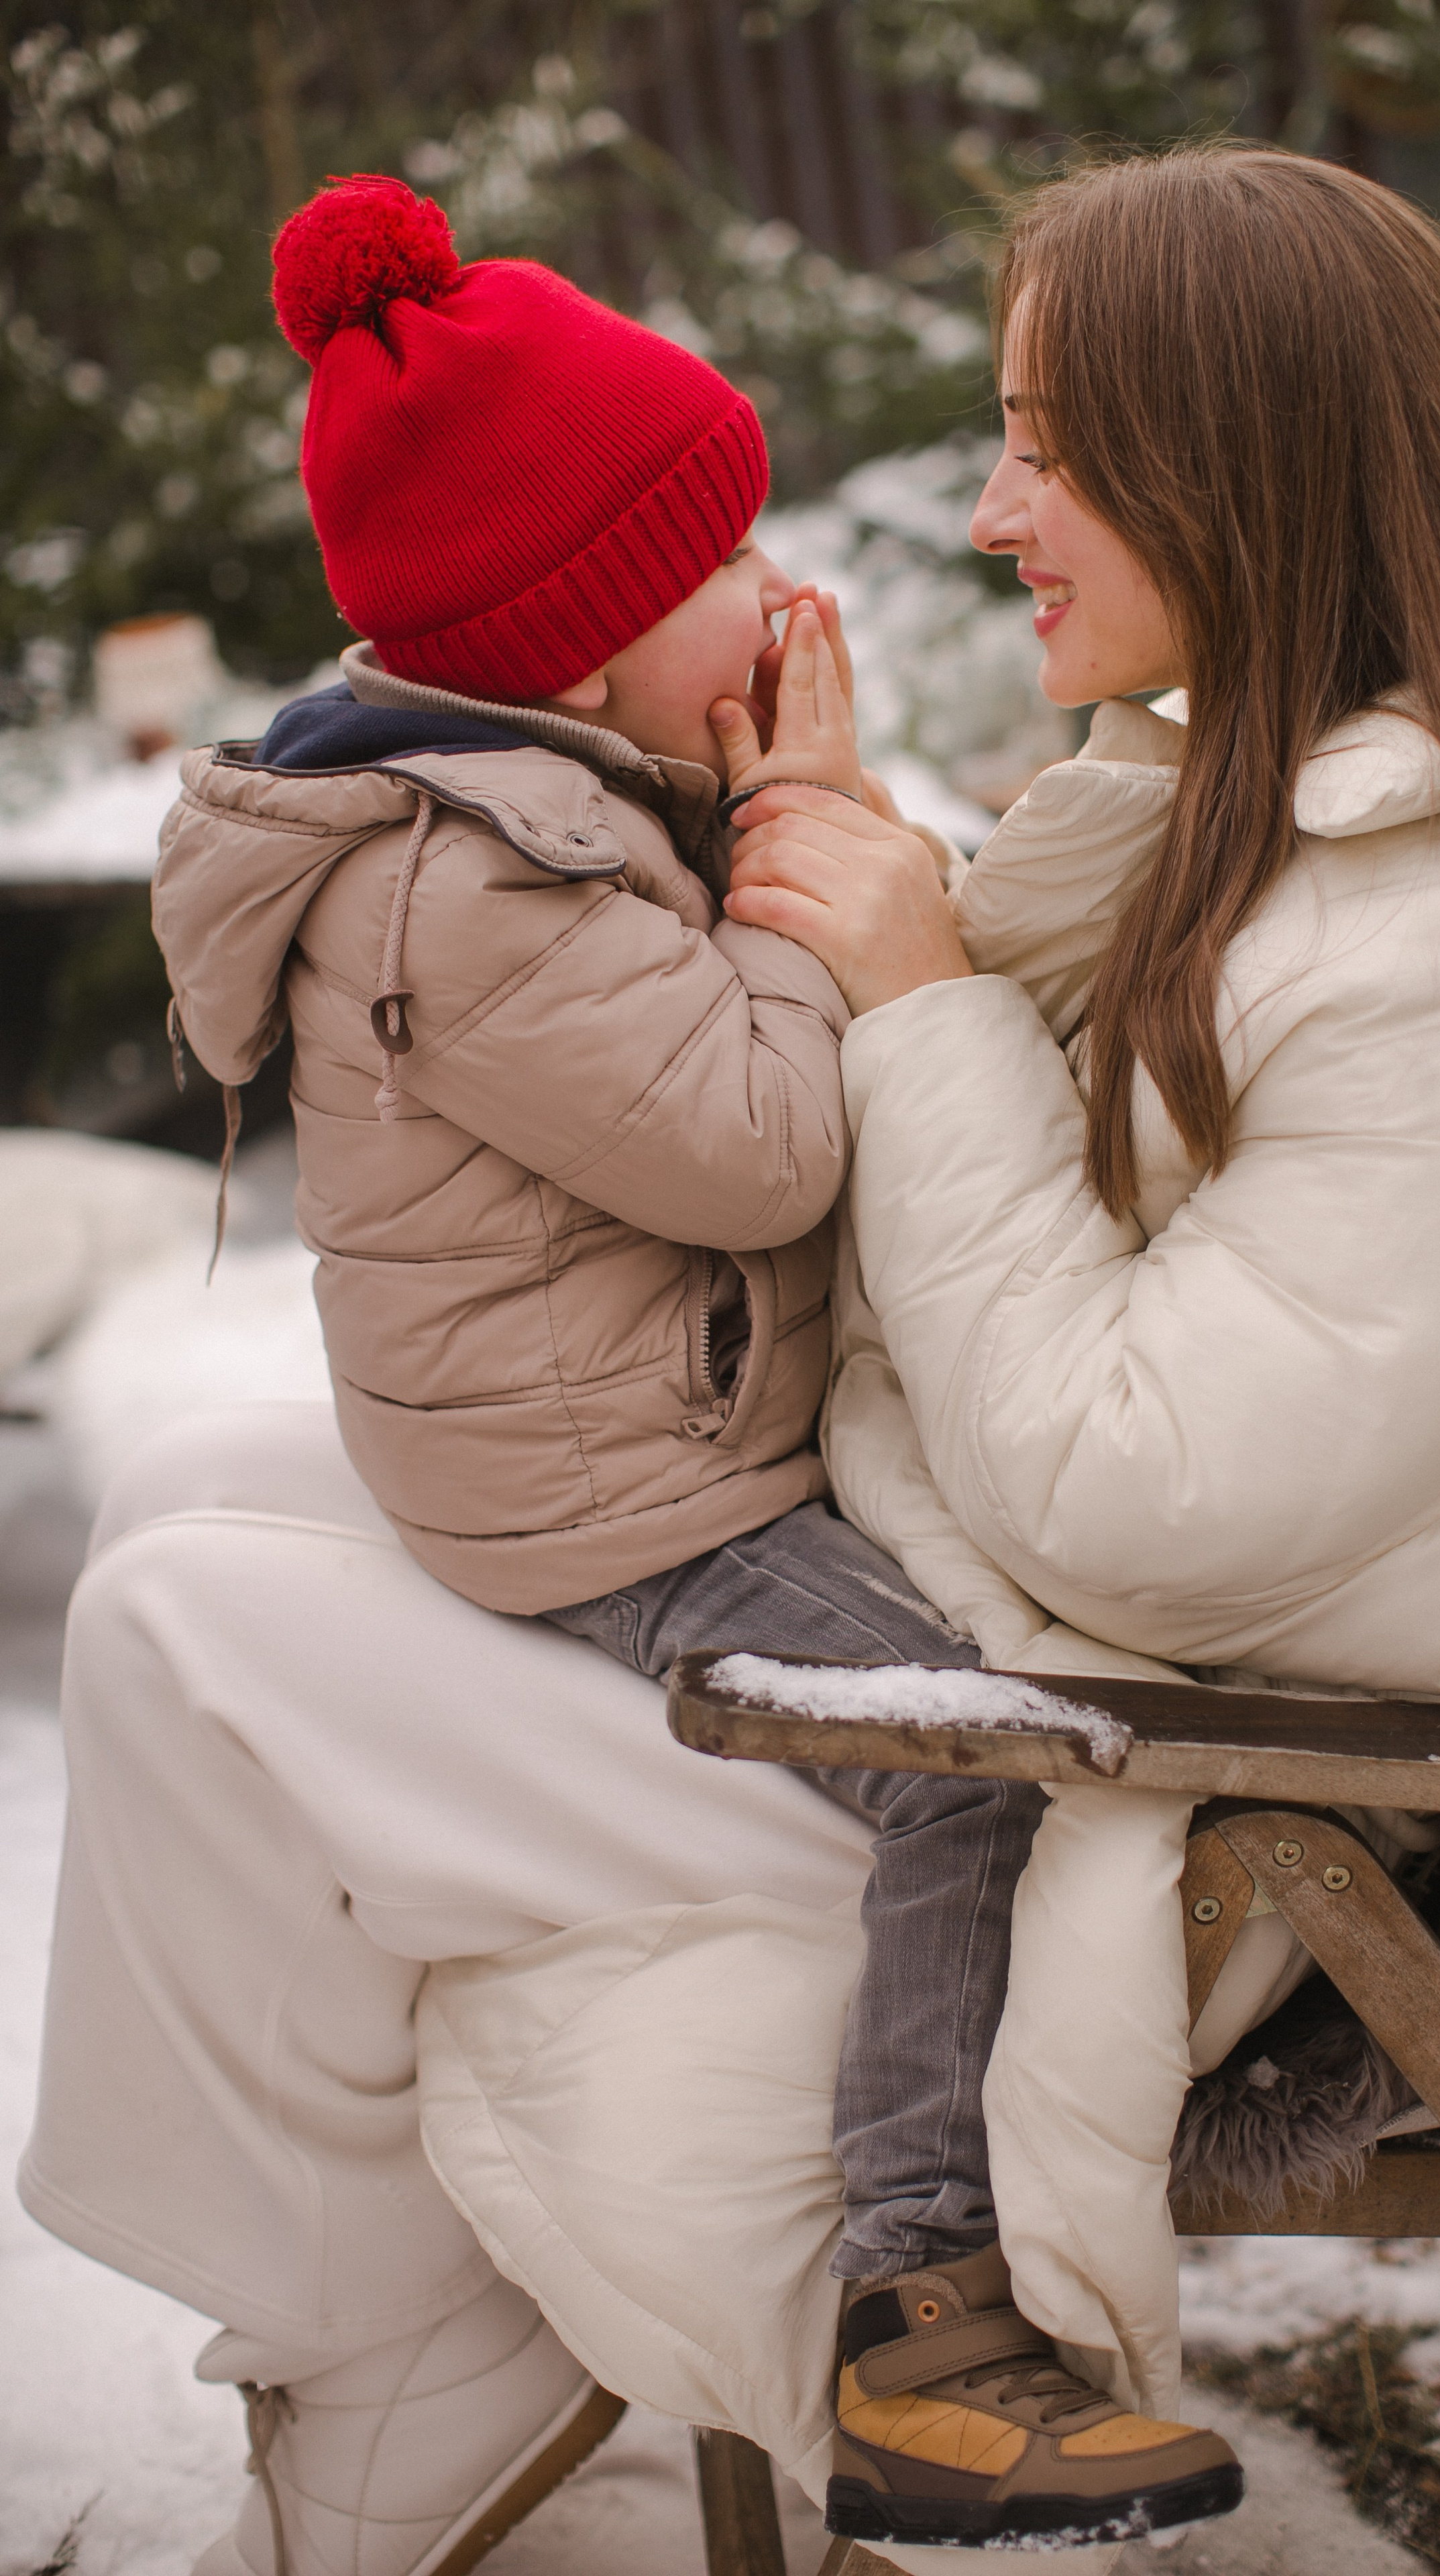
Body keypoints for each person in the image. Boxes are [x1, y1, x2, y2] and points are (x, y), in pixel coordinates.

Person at [23, 135, 1440, 2576]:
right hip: (987, 1611)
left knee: (175, 1627)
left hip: (1169, 1782)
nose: (993, 503)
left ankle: (376, 2414)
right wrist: (853, 870)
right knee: (192, 1500)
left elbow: (1133, 1477)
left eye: (1049, 440)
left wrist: (908, 986)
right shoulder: (1277, 790)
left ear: (1235, 464)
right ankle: (372, 2388)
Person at [132, 170, 1241, 2569]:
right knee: (967, 1766)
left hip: (649, 1429)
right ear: (595, 635)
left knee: (978, 1714)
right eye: (722, 562)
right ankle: (923, 2318)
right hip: (624, 1499)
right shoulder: (480, 878)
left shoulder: (550, 817)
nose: (776, 594)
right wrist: (810, 834)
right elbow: (755, 1148)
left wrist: (802, 856)